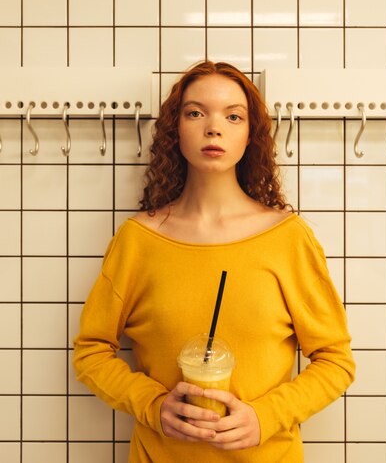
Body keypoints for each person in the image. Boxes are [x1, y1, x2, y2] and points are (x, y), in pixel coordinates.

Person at [73, 60, 355, 463]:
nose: (213, 127)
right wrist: (153, 405)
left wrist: (265, 416)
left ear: (249, 136)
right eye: (195, 112)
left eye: (233, 116)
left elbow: (335, 360)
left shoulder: (288, 238)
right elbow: (91, 351)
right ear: (176, 131)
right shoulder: (138, 239)